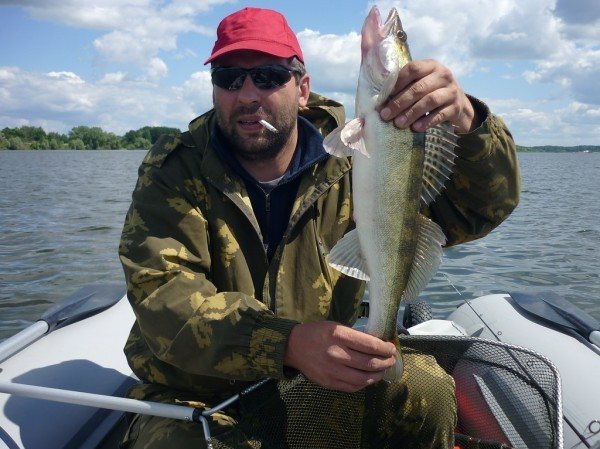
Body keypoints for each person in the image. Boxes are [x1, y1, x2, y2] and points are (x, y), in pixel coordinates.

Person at [118, 6, 520, 449]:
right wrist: (284, 343)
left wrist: (468, 121)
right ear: (215, 90)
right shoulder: (173, 169)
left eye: (270, 76)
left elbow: (480, 210)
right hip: (198, 394)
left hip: (325, 377)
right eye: (229, 77)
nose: (248, 94)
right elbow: (161, 292)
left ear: (303, 88)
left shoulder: (355, 156)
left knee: (425, 392)